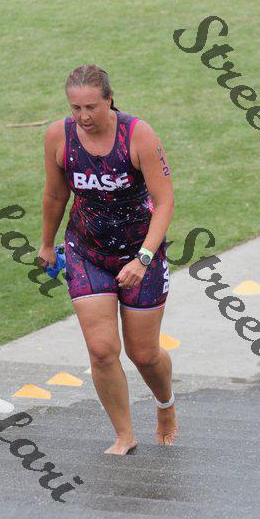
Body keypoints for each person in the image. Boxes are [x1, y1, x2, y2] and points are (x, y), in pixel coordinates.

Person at [38, 64, 178, 455]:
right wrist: (47, 244)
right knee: (101, 351)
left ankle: (165, 404)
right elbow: (55, 195)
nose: (83, 116)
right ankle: (124, 434)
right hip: (86, 252)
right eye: (76, 108)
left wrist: (144, 258)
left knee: (144, 354)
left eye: (91, 107)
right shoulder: (58, 136)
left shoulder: (139, 135)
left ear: (109, 100)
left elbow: (165, 202)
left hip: (139, 253)